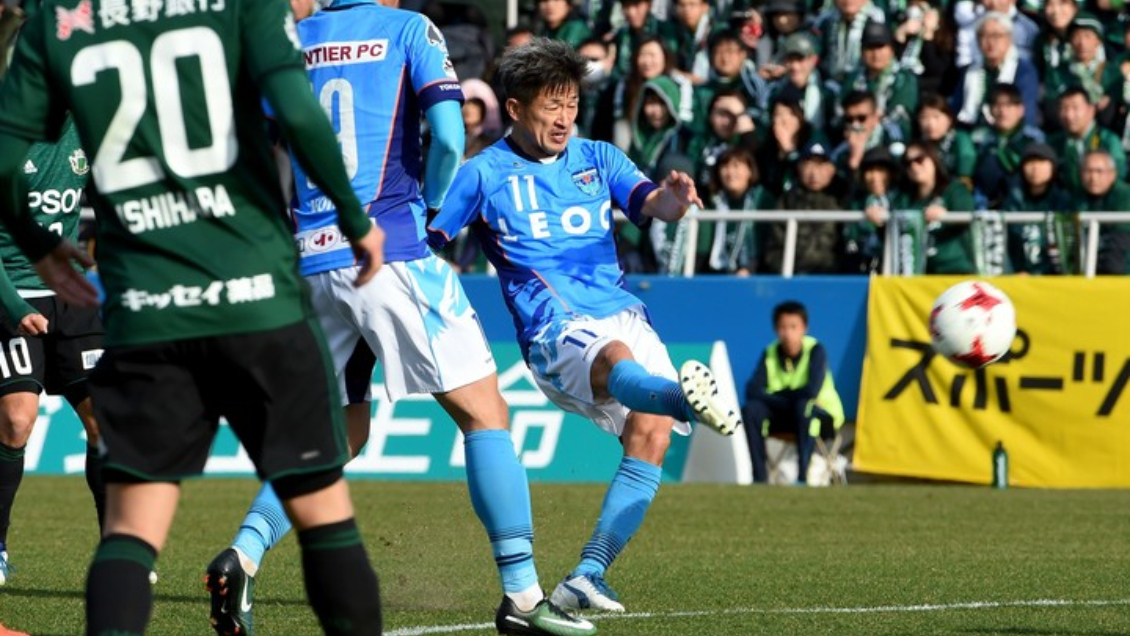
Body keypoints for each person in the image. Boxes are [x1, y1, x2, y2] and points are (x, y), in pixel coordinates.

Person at [205, 4, 596, 636]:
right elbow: (446, 133)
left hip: (311, 260)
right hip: (389, 248)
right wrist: (436, 207)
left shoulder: (294, 38)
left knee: (340, 432)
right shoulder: (410, 29)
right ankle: (523, 597)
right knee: (485, 412)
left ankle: (244, 553)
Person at [0, 0, 390, 630]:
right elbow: (297, 111)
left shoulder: (58, 21)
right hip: (258, 300)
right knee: (323, 512)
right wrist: (353, 216)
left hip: (149, 311)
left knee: (129, 531)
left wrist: (39, 243)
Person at [428, 37, 742, 613]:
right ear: (517, 109)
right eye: (553, 105)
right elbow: (431, 240)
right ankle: (684, 399)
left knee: (649, 436)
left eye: (572, 103)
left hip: (620, 306)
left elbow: (652, 204)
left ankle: (587, 576)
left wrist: (675, 200)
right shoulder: (483, 174)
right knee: (617, 357)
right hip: (553, 327)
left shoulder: (598, 158)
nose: (565, 118)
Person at [0, 114, 105, 587]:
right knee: (16, 422)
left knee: (107, 422)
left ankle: (118, 552)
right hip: (13, 291)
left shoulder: (88, 126)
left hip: (73, 296)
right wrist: (15, 306)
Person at [743, 301, 843, 485]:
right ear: (775, 329)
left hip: (822, 418)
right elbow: (752, 391)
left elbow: (811, 391)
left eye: (793, 327)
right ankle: (759, 478)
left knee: (803, 407)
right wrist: (790, 396)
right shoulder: (770, 353)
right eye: (782, 327)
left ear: (805, 328)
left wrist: (778, 395)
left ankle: (802, 478)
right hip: (787, 414)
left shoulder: (816, 351)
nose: (788, 333)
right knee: (751, 410)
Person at [893, 141, 978, 274]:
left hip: (956, 270)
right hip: (919, 273)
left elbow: (968, 214)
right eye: (907, 163)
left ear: (934, 159)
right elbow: (894, 231)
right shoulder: (904, 197)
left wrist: (946, 216)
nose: (914, 166)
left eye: (919, 160)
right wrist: (879, 222)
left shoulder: (955, 190)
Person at [951, 12, 1039, 128]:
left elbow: (1027, 113)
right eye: (984, 36)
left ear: (1009, 38)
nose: (990, 42)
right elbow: (956, 107)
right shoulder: (969, 71)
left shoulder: (1023, 70)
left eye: (996, 36)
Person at [1000, 142, 1075, 275]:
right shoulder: (1013, 200)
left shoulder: (1064, 201)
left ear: (1053, 167)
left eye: (1041, 162)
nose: (1035, 168)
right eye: (1030, 162)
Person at [1049, 86, 1127, 194]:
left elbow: (1120, 174)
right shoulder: (1054, 143)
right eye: (1064, 108)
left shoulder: (1108, 139)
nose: (1069, 115)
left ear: (1091, 110)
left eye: (1075, 108)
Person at [1078, 150, 1130, 274]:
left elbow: (1120, 243)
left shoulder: (1125, 196)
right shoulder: (1075, 198)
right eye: (1088, 171)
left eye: (1099, 171)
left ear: (1113, 174)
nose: (1093, 177)